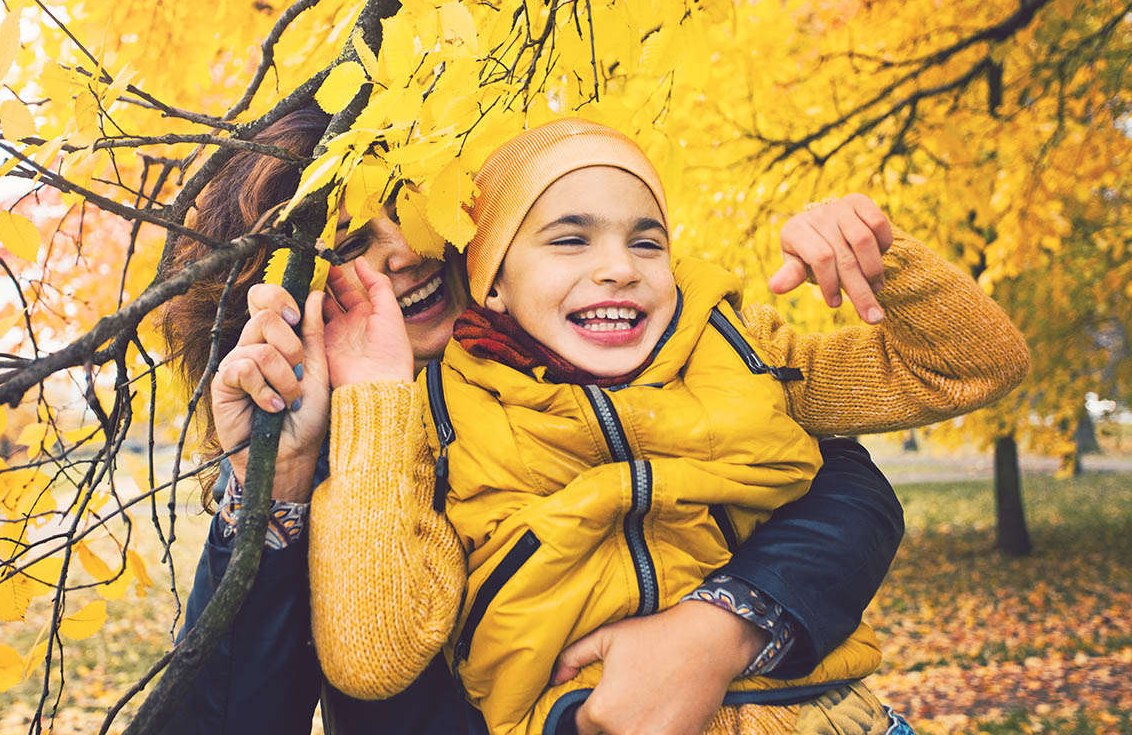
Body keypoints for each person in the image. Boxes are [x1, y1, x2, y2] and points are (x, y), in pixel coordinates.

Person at [158, 104, 925, 735]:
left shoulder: (607, 339)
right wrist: (276, 480)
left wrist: (718, 630)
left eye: (415, 211)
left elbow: (846, 492)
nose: (408, 253)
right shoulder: (324, 454)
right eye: (353, 242)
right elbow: (244, 714)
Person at [305, 119, 1030, 735]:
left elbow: (971, 367)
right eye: (570, 241)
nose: (619, 267)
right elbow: (372, 655)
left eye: (647, 243)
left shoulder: (741, 348)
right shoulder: (434, 419)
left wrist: (884, 258)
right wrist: (375, 397)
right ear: (490, 279)